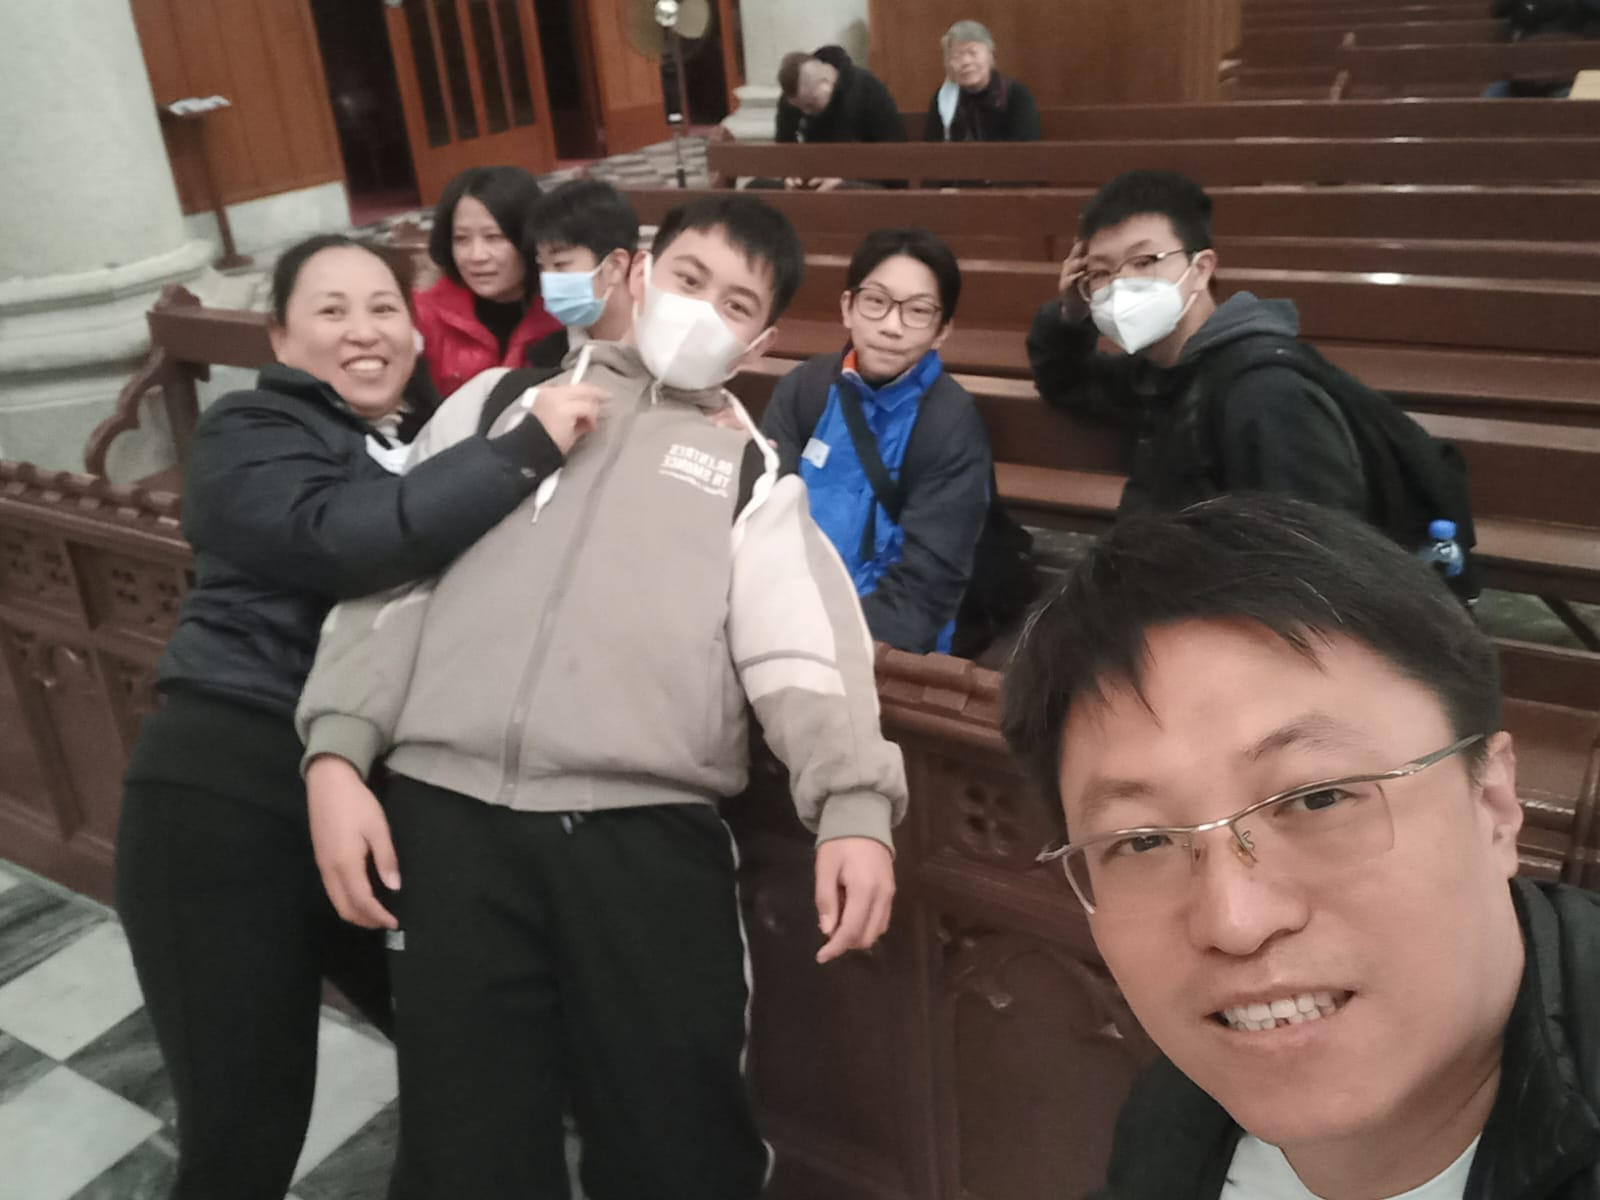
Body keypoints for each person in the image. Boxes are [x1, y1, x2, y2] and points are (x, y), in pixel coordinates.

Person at [294, 194, 906, 1199]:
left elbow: (803, 649)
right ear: (641, 273)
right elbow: (395, 580)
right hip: (448, 820)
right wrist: (336, 753)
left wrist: (853, 804)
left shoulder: (748, 471)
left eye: (736, 303)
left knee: (676, 1145)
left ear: (758, 341)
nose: (702, 310)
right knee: (465, 1151)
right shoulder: (494, 404)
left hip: (643, 836)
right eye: (689, 279)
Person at [114, 233, 603, 1200]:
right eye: (331, 310)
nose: (364, 330)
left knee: (476, 1056)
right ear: (279, 336)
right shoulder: (249, 429)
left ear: (414, 335)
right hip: (229, 784)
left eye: (383, 308)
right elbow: (345, 540)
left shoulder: (432, 443)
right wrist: (526, 449)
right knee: (244, 1139)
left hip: (379, 807)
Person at [1001, 494, 1600, 1200]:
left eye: (1318, 798)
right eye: (1143, 840)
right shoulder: (1171, 1121)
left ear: (1494, 803)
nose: (1235, 922)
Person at [1027, 169, 1368, 520]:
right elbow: (1067, 382)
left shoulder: (1267, 396)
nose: (1120, 284)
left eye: (1143, 262)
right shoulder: (1160, 373)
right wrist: (1071, 315)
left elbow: (1318, 544)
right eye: (1101, 273)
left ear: (1201, 269)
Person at [761, 227, 994, 656]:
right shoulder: (804, 390)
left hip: (882, 647)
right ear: (847, 308)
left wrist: (822, 644)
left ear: (942, 330)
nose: (891, 326)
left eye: (918, 311)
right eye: (875, 301)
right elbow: (763, 520)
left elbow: (925, 589)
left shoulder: (949, 425)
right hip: (778, 622)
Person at [412, 165, 561, 397]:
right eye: (461, 239)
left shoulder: (563, 309)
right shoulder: (421, 317)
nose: (476, 256)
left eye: (494, 237)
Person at [775, 44, 905, 190]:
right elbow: (784, 149)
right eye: (800, 108)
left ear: (826, 83)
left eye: (810, 104)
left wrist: (846, 180)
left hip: (866, 183)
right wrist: (790, 174)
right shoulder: (791, 100)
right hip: (812, 183)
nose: (806, 112)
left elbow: (893, 155)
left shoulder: (868, 88)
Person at [922, 20, 1041, 143]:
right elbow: (932, 148)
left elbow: (1025, 148)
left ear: (990, 56)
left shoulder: (1016, 95)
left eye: (973, 53)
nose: (966, 62)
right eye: (957, 56)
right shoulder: (944, 98)